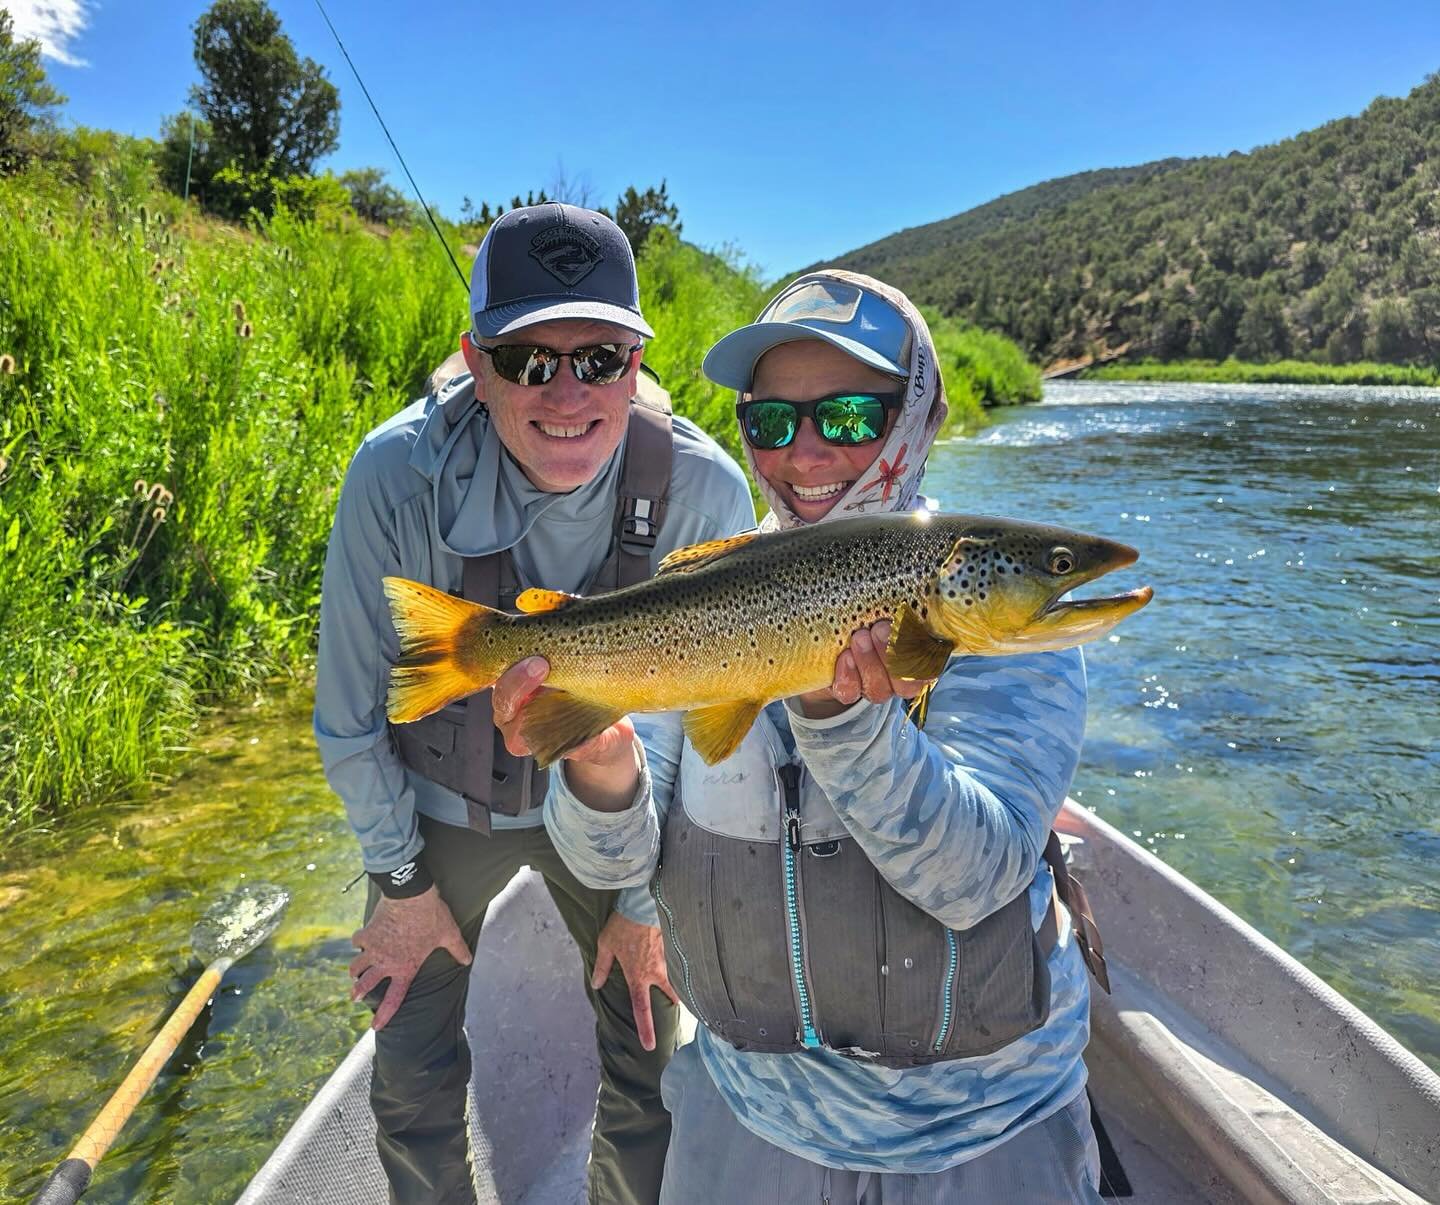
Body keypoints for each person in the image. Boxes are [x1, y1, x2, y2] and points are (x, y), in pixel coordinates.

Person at [505, 270, 1107, 1201]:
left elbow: (975, 878)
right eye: (773, 423)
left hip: (985, 1129)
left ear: (914, 417)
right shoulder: (700, 598)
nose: (810, 452)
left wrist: (840, 716)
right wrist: (600, 759)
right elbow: (611, 859)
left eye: (852, 418)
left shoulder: (987, 618)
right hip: (747, 1114)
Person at [314, 202, 756, 1204]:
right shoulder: (395, 475)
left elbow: (700, 742)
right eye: (527, 362)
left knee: (650, 1055)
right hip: (439, 810)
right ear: (476, 364)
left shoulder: (703, 490)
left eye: (599, 357)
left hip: (618, 815)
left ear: (639, 361)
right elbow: (346, 716)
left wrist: (645, 904)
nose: (568, 392)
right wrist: (398, 877)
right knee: (409, 1071)